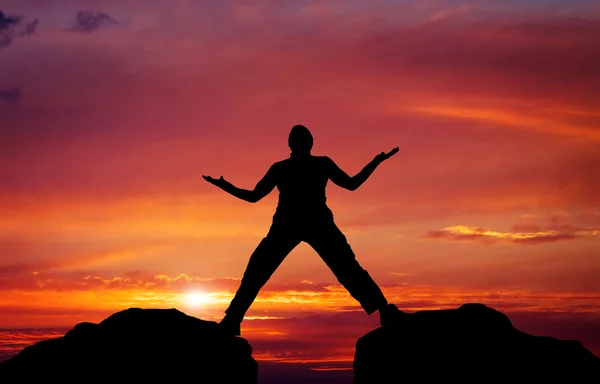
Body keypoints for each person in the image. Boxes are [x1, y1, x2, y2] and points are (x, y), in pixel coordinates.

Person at [203, 125, 402, 336]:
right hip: (297, 225)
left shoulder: (299, 166)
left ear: (294, 144)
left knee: (346, 268)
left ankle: (232, 319)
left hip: (308, 225)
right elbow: (352, 184)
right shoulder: (296, 166)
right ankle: (233, 319)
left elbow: (253, 196)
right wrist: (224, 186)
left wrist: (375, 162)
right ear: (307, 143)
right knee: (260, 270)